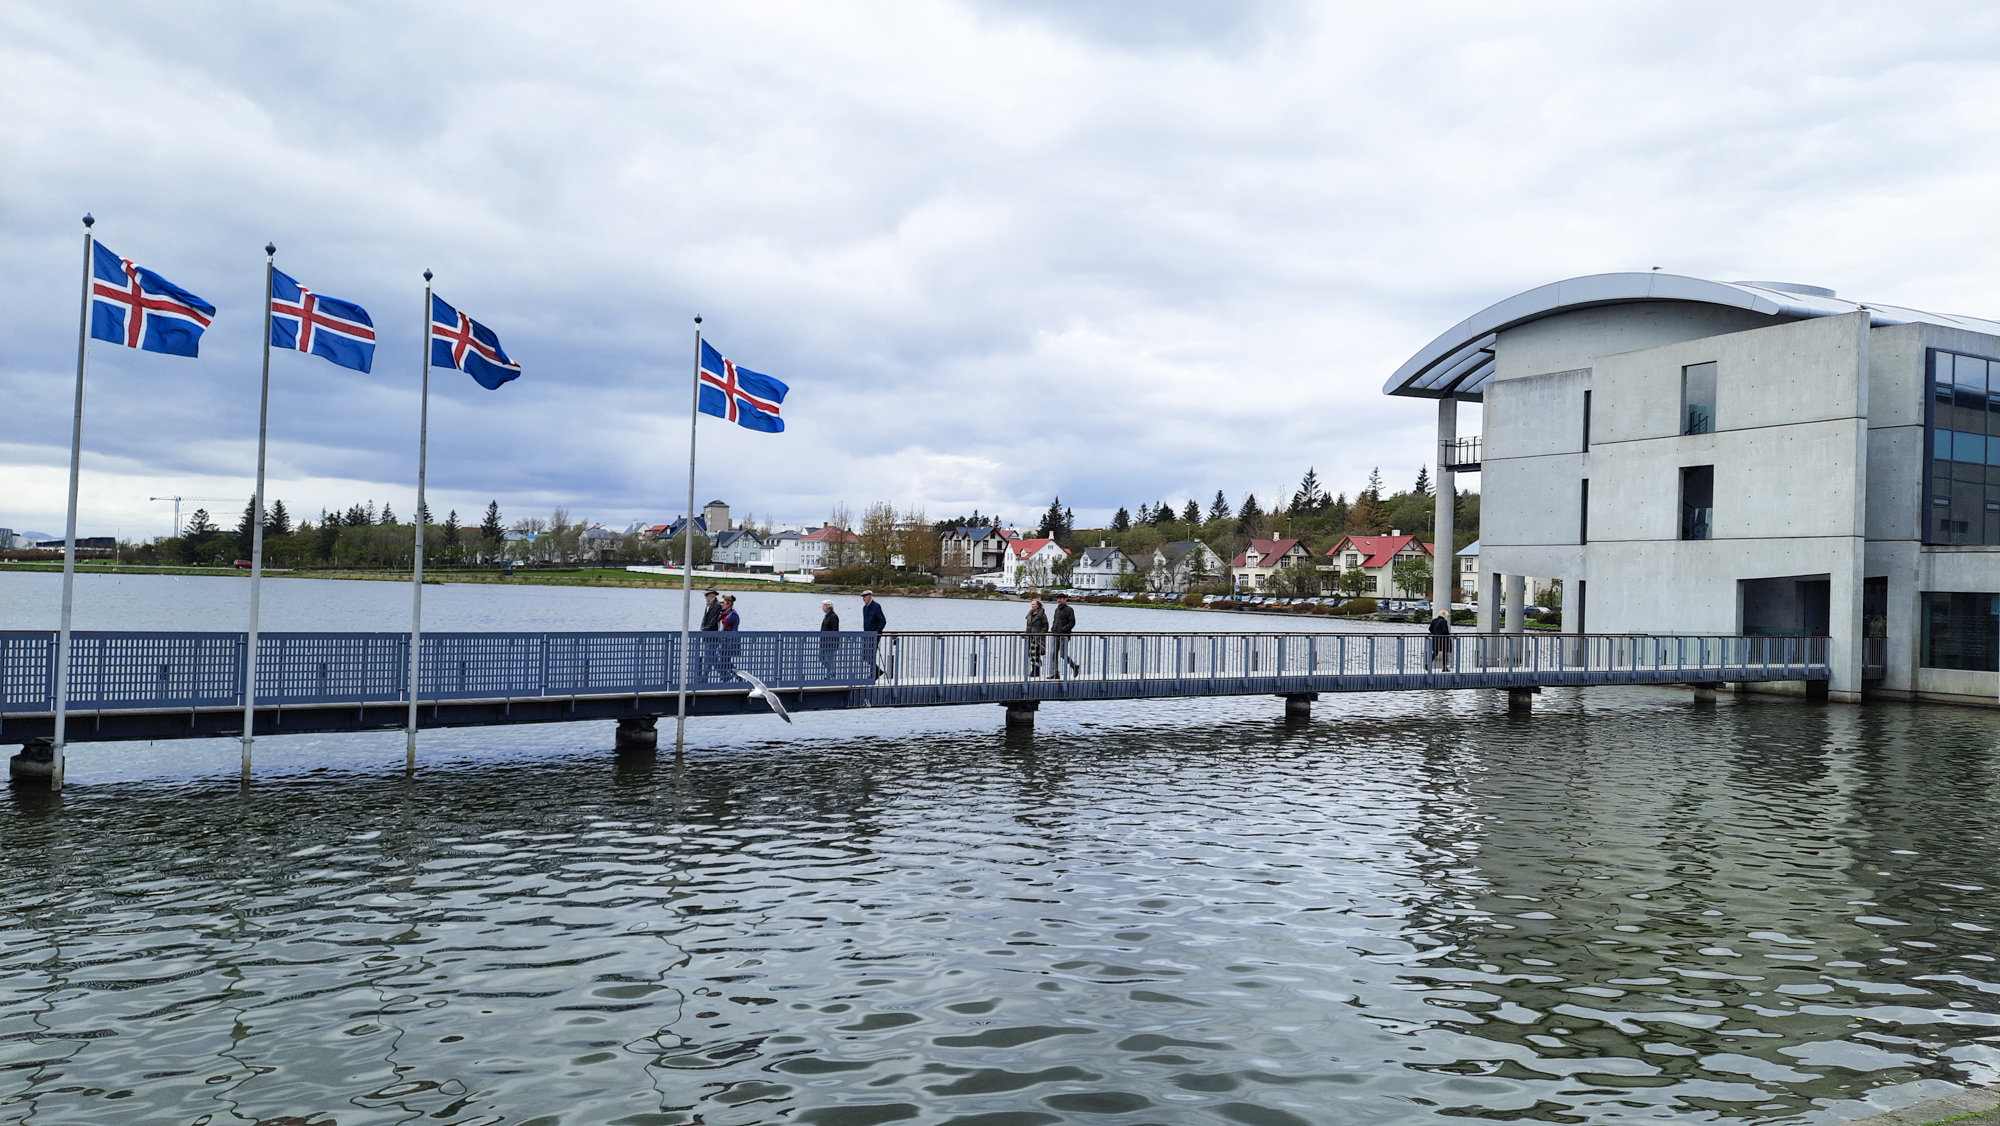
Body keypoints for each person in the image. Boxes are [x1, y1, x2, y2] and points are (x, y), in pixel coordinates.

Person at [1050, 593, 1080, 679]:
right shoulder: (1057, 610)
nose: (1059, 600)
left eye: (1061, 598)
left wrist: (1063, 629)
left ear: (1065, 599)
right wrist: (1053, 628)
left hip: (1064, 635)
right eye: (1058, 598)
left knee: (1062, 654)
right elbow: (1055, 620)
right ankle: (1055, 672)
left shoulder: (1069, 610)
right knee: (1054, 654)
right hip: (1056, 635)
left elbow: (1072, 622)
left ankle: (1074, 666)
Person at [696, 588, 722, 682]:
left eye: (707, 595)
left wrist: (706, 629)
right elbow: (705, 618)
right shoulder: (708, 605)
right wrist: (702, 628)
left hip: (713, 635)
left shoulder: (717, 606)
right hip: (707, 635)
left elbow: (714, 621)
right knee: (711, 657)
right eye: (705, 595)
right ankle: (725, 674)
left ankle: (704, 678)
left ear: (713, 595)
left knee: (709, 657)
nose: (705, 597)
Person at [861, 590, 887, 679]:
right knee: (865, 655)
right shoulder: (865, 608)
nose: (864, 598)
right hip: (866, 635)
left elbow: (882, 620)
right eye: (863, 597)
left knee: (871, 654)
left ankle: (875, 673)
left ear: (870, 596)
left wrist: (878, 632)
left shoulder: (876, 606)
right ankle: (877, 671)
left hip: (874, 635)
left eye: (865, 596)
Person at [718, 594, 741, 679]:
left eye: (723, 603)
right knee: (724, 661)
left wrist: (731, 644)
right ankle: (727, 677)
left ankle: (735, 676)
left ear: (729, 604)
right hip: (722, 642)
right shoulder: (723, 614)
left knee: (725, 661)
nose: (721, 604)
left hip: (728, 642)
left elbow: (734, 630)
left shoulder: (733, 615)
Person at [1024, 599, 1048, 678]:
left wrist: (1040, 634)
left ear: (1037, 605)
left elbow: (1045, 625)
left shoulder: (1042, 615)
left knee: (1036, 654)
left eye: (1033, 604)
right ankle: (1033, 670)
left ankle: (1036, 671)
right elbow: (1028, 625)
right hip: (1030, 636)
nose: (1032, 606)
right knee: (1031, 654)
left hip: (1038, 638)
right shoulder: (1030, 614)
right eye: (1031, 604)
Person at [819, 599, 840, 680]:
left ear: (828, 607)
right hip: (824, 643)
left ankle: (830, 675)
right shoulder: (827, 616)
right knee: (822, 658)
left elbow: (835, 630)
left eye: (824, 606)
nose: (822, 608)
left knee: (830, 659)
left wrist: (832, 641)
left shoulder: (833, 616)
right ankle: (831, 673)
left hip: (830, 643)